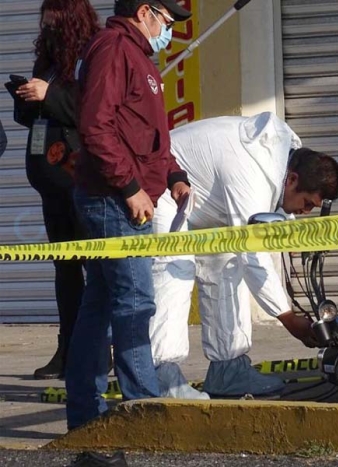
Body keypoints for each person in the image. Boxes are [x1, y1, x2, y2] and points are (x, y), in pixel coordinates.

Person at [149, 112, 338, 399]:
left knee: (225, 266)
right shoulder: (252, 169)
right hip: (163, 186)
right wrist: (288, 318)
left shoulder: (278, 160)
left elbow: (262, 233)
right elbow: (253, 253)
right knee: (176, 268)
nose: (305, 212)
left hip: (203, 202)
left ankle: (229, 369)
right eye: (306, 204)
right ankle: (162, 376)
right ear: (292, 179)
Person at [64, 0, 193, 430]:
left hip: (121, 196)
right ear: (145, 11)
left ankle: (86, 415)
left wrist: (172, 173)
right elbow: (96, 125)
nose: (169, 31)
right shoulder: (114, 49)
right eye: (168, 21)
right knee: (136, 301)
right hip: (112, 199)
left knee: (100, 305)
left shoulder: (138, 56)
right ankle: (144, 414)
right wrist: (131, 187)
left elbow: (148, 132)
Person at [11, 0, 101, 380]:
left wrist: (50, 95)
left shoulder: (94, 54)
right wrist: (27, 100)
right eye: (44, 21)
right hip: (50, 182)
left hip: (79, 178)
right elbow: (38, 116)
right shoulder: (46, 59)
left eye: (54, 21)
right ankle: (67, 349)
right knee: (64, 269)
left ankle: (98, 350)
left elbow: (91, 111)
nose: (46, 27)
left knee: (94, 266)